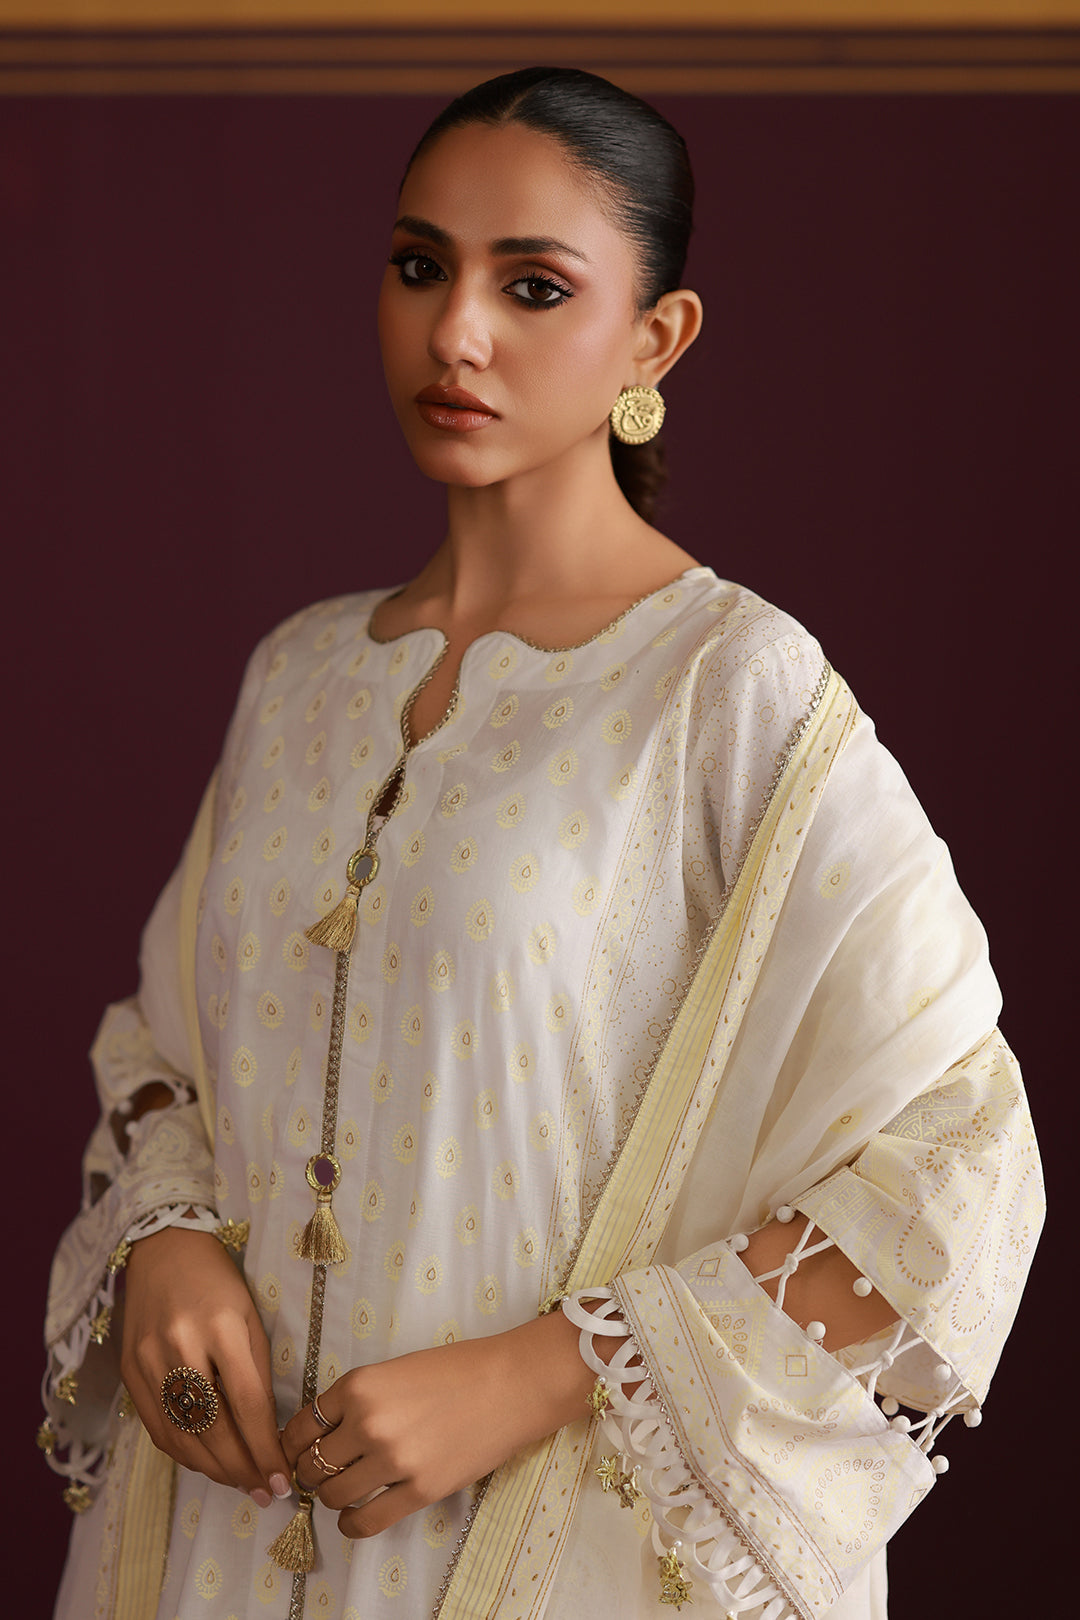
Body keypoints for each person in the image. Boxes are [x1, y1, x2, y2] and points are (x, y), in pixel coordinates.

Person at [40, 66, 1042, 1620]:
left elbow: (961, 1163)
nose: (457, 332)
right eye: (420, 266)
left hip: (553, 1549)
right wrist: (165, 1243)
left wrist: (546, 1369)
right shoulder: (299, 680)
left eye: (534, 287)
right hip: (221, 1547)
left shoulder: (728, 690)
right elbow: (170, 1055)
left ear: (656, 340)